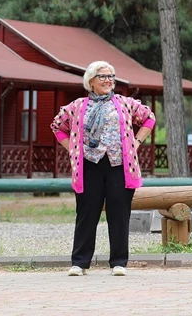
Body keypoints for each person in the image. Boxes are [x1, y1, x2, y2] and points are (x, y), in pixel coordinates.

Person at [51, 60, 155, 277]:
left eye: (111, 76)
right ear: (91, 81)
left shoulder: (124, 103)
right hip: (89, 165)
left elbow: (148, 118)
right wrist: (73, 148)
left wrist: (136, 142)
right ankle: (80, 262)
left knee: (119, 213)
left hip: (119, 165)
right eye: (103, 76)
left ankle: (119, 262)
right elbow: (57, 126)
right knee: (87, 213)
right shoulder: (77, 106)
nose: (108, 80)